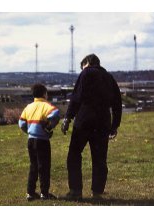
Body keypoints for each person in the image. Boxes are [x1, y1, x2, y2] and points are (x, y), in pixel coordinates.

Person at [61, 53, 122, 200]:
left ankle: (76, 191)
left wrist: (68, 118)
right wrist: (114, 126)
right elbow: (117, 104)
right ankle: (97, 193)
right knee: (100, 159)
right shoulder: (109, 77)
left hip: (84, 120)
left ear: (87, 63)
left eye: (82, 66)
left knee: (74, 155)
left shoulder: (86, 73)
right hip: (103, 122)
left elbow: (76, 97)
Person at [19, 83, 60, 201]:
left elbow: (21, 123)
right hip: (42, 140)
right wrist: (49, 126)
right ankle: (44, 193)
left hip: (31, 140)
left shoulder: (28, 107)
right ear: (44, 94)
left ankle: (30, 192)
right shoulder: (46, 105)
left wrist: (29, 131)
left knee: (33, 166)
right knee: (44, 166)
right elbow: (55, 113)